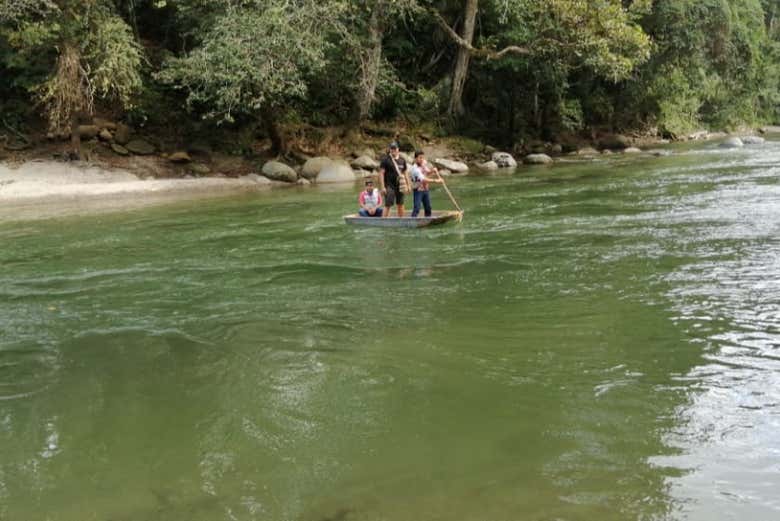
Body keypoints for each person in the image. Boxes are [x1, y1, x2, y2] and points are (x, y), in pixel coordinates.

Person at [378, 141, 410, 217]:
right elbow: (381, 173)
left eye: (394, 148)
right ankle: (384, 221)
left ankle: (401, 220)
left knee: (400, 203)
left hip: (400, 186)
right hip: (389, 185)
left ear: (398, 149)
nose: (393, 150)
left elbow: (405, 173)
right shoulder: (385, 160)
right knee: (388, 204)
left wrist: (408, 185)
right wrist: (382, 187)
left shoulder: (402, 160)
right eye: (391, 148)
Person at [410, 150, 443, 217]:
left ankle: (428, 219)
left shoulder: (423, 164)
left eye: (422, 157)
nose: (422, 159)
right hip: (418, 190)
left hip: (425, 189)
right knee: (417, 208)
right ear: (416, 159)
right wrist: (436, 181)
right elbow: (423, 179)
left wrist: (433, 171)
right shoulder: (415, 168)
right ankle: (412, 220)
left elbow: (427, 172)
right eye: (420, 158)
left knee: (428, 208)